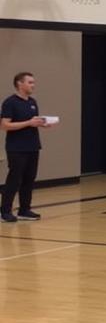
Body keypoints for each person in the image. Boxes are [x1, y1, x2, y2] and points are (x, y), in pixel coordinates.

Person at [1, 72, 50, 222]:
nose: (33, 85)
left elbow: (32, 122)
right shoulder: (10, 102)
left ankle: (24, 209)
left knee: (29, 178)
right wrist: (28, 123)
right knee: (14, 179)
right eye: (30, 82)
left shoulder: (32, 102)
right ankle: (5, 211)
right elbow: (5, 125)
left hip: (33, 146)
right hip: (16, 147)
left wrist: (42, 123)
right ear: (19, 84)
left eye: (33, 82)